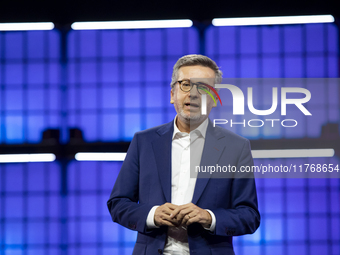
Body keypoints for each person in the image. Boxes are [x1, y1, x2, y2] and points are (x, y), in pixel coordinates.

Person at [107, 54, 260, 255]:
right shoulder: (144, 142)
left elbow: (249, 216)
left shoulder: (236, 146)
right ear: (172, 94)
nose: (194, 94)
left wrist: (209, 217)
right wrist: (152, 214)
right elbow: (118, 204)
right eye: (186, 85)